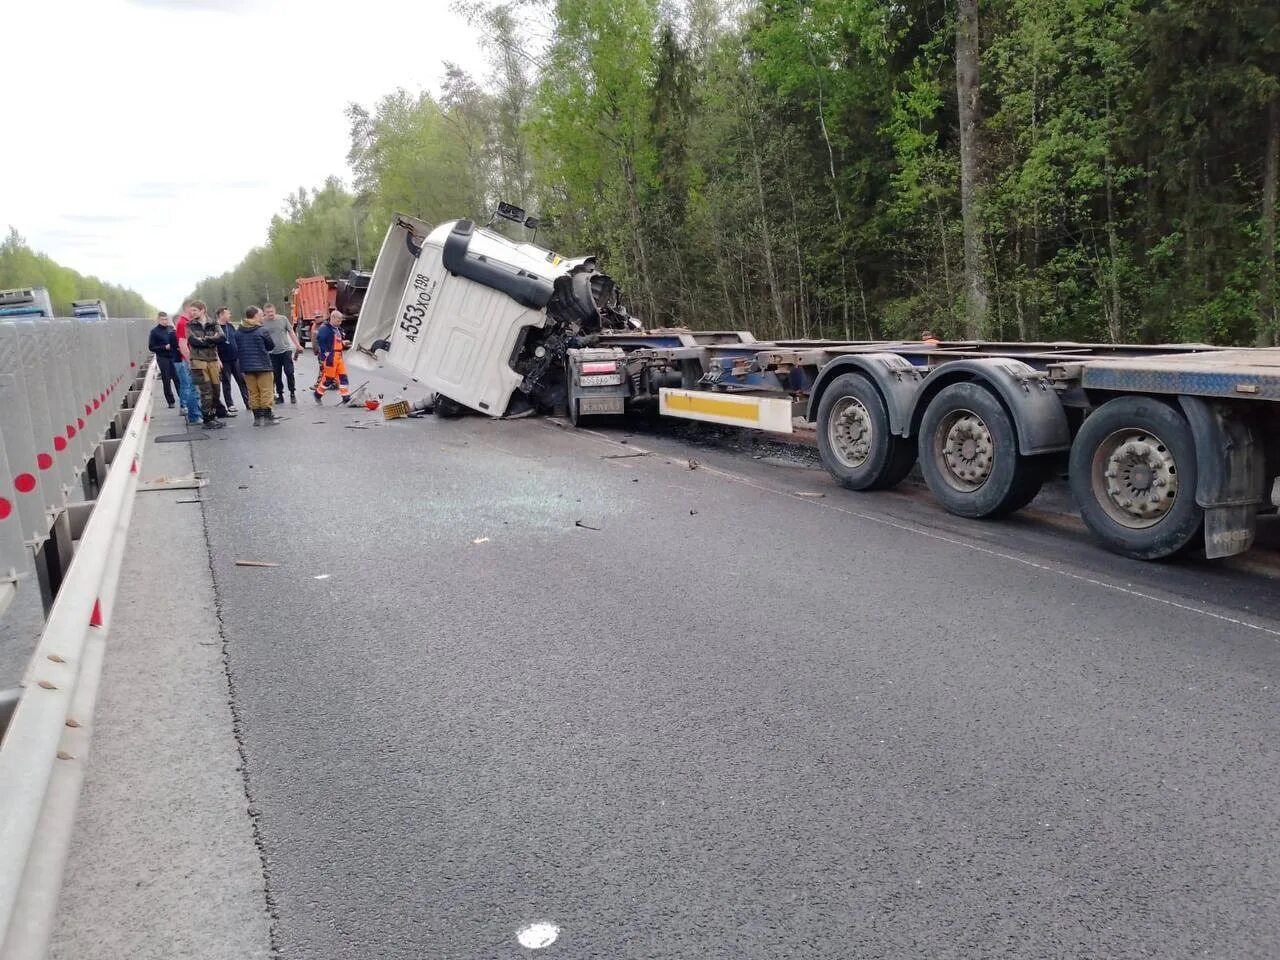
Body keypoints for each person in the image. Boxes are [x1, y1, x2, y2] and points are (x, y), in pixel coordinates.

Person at [237, 307, 281, 426]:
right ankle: (267, 416)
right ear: (255, 316)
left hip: (246, 367)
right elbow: (270, 346)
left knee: (253, 392)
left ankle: (257, 418)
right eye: (261, 315)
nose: (262, 317)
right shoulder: (262, 331)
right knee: (266, 390)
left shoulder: (239, 331)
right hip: (263, 365)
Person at [185, 300, 226, 428]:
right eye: (191, 310)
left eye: (195, 310)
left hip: (212, 360)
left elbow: (222, 337)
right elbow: (193, 341)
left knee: (216, 389)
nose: (192, 313)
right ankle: (207, 419)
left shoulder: (213, 323)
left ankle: (213, 416)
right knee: (206, 391)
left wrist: (206, 339)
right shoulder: (189, 325)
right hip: (199, 362)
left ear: (203, 310)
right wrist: (211, 340)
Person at [261, 302, 302, 404]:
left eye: (272, 311)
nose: (270, 314)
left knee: (289, 372)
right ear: (264, 313)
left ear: (275, 311)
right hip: (272, 353)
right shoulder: (262, 322)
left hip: (285, 350)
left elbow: (291, 332)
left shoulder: (283, 319)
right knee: (276, 375)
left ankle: (292, 393)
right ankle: (280, 395)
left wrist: (297, 344)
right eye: (268, 312)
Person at [215, 306, 250, 414]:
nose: (230, 315)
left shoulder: (230, 326)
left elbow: (235, 339)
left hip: (235, 358)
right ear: (221, 315)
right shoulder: (215, 327)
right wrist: (217, 359)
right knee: (227, 382)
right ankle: (230, 404)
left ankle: (248, 402)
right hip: (224, 360)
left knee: (242, 381)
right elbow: (213, 345)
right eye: (228, 314)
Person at [173, 304, 202, 424]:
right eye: (193, 309)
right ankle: (194, 416)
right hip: (189, 359)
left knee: (194, 388)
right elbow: (183, 344)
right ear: (187, 309)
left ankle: (197, 413)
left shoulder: (187, 322)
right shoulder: (183, 323)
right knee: (191, 388)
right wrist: (190, 360)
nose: (194, 312)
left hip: (191, 358)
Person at [313, 310, 350, 403]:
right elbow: (321, 340)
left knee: (343, 375)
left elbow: (336, 341)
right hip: (331, 357)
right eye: (338, 321)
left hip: (338, 356)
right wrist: (325, 354)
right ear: (332, 318)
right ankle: (318, 393)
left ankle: (345, 396)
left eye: (341, 321)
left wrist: (342, 343)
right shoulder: (325, 328)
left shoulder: (337, 329)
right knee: (329, 378)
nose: (340, 323)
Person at [148, 311, 181, 407]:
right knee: (166, 380)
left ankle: (182, 399)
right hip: (162, 357)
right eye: (162, 320)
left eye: (166, 319)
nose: (165, 321)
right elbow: (151, 347)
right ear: (158, 320)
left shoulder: (171, 329)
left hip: (173, 356)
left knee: (177, 378)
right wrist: (164, 347)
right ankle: (171, 401)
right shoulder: (154, 332)